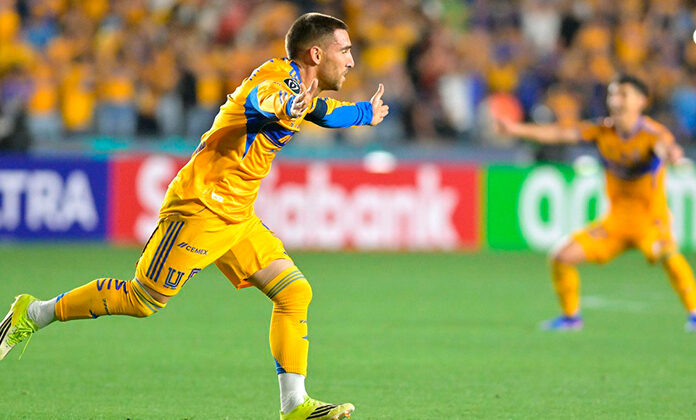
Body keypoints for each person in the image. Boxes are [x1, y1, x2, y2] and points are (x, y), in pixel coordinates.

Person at [0, 13, 389, 420]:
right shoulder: (277, 82)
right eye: (345, 50)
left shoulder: (301, 90)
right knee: (142, 299)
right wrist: (288, 105)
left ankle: (294, 405)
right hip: (200, 207)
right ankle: (34, 312)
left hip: (236, 214)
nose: (351, 60)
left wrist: (364, 112)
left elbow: (322, 112)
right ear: (316, 54)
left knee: (294, 293)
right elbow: (263, 101)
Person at [494, 74, 696, 332]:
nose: (616, 100)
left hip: (650, 220)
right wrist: (516, 130)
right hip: (615, 223)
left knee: (669, 255)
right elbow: (560, 133)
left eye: (623, 94)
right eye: (612, 94)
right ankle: (571, 318)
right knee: (561, 256)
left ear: (641, 101)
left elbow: (664, 146)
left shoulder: (651, 134)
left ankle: (694, 314)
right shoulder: (602, 131)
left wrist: (673, 154)